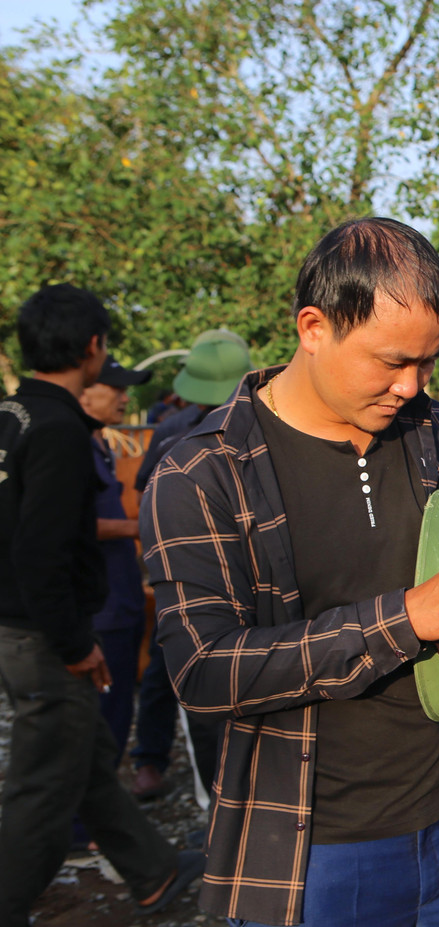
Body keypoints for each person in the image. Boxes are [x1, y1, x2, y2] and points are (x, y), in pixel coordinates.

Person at [140, 217, 439, 927]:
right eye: (390, 361)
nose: (410, 385)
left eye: (427, 362)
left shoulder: (438, 434)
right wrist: (407, 617)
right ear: (314, 327)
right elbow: (205, 670)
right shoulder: (202, 474)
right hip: (317, 855)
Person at [0, 284, 204, 926]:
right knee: (41, 787)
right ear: (93, 348)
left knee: (84, 756)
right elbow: (44, 552)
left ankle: (154, 871)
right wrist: (73, 643)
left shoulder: (11, 416)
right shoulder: (59, 429)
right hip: (42, 633)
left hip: (16, 626)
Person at [130, 329, 255, 800]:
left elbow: (145, 492)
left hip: (183, 574)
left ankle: (153, 761)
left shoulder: (170, 431)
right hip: (235, 574)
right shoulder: (255, 428)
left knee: (173, 667)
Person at [78, 357, 153, 761]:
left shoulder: (99, 442)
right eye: (117, 389)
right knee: (98, 730)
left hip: (121, 603)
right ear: (85, 391)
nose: (126, 398)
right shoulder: (69, 447)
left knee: (117, 720)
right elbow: (66, 524)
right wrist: (140, 526)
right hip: (101, 613)